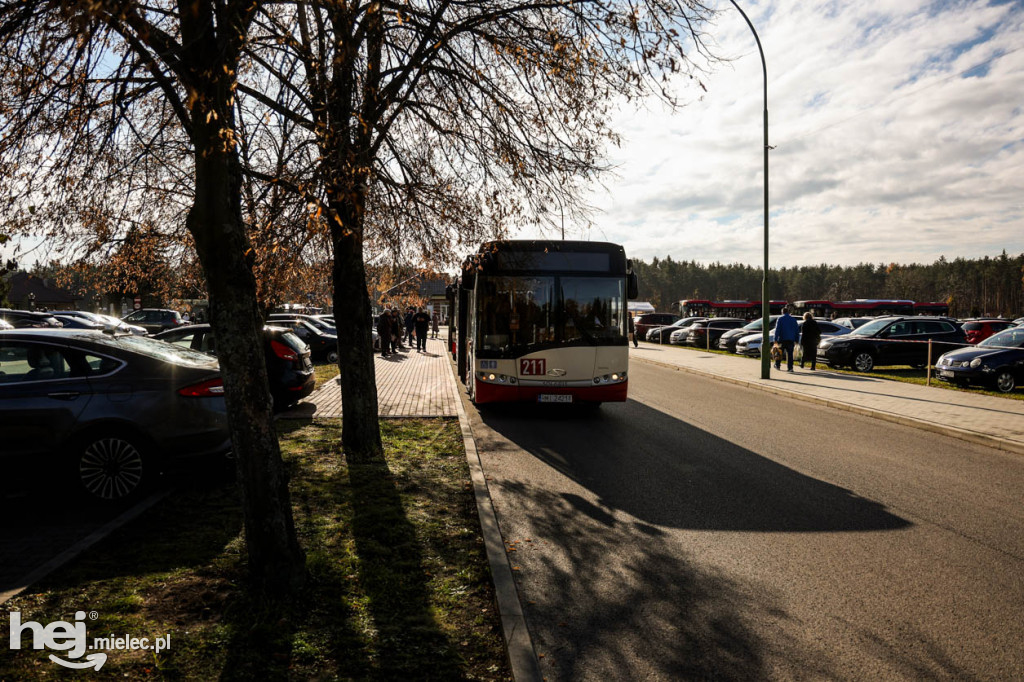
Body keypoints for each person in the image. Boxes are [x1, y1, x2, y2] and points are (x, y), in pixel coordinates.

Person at [773, 306, 800, 372]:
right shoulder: (793, 319)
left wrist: (775, 339)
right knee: (790, 354)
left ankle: (778, 365)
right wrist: (797, 339)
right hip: (791, 339)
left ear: (782, 312)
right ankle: (790, 368)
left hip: (782, 339)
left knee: (779, 353)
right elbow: (796, 330)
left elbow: (777, 330)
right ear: (788, 312)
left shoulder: (780, 319)